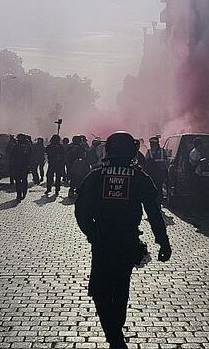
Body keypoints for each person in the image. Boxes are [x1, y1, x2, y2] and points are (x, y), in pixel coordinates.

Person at [75, 131, 172, 348]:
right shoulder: (139, 177)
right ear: (132, 151)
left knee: (99, 290)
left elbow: (80, 210)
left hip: (102, 242)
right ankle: (116, 333)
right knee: (120, 288)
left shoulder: (96, 176)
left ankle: (113, 335)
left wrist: (92, 233)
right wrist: (163, 242)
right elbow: (154, 213)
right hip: (127, 241)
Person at [14, 134, 33, 200]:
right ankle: (23, 193)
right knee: (23, 180)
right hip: (24, 165)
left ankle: (19, 194)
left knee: (19, 180)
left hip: (19, 165)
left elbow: (13, 155)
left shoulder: (17, 146)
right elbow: (31, 155)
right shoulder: (28, 146)